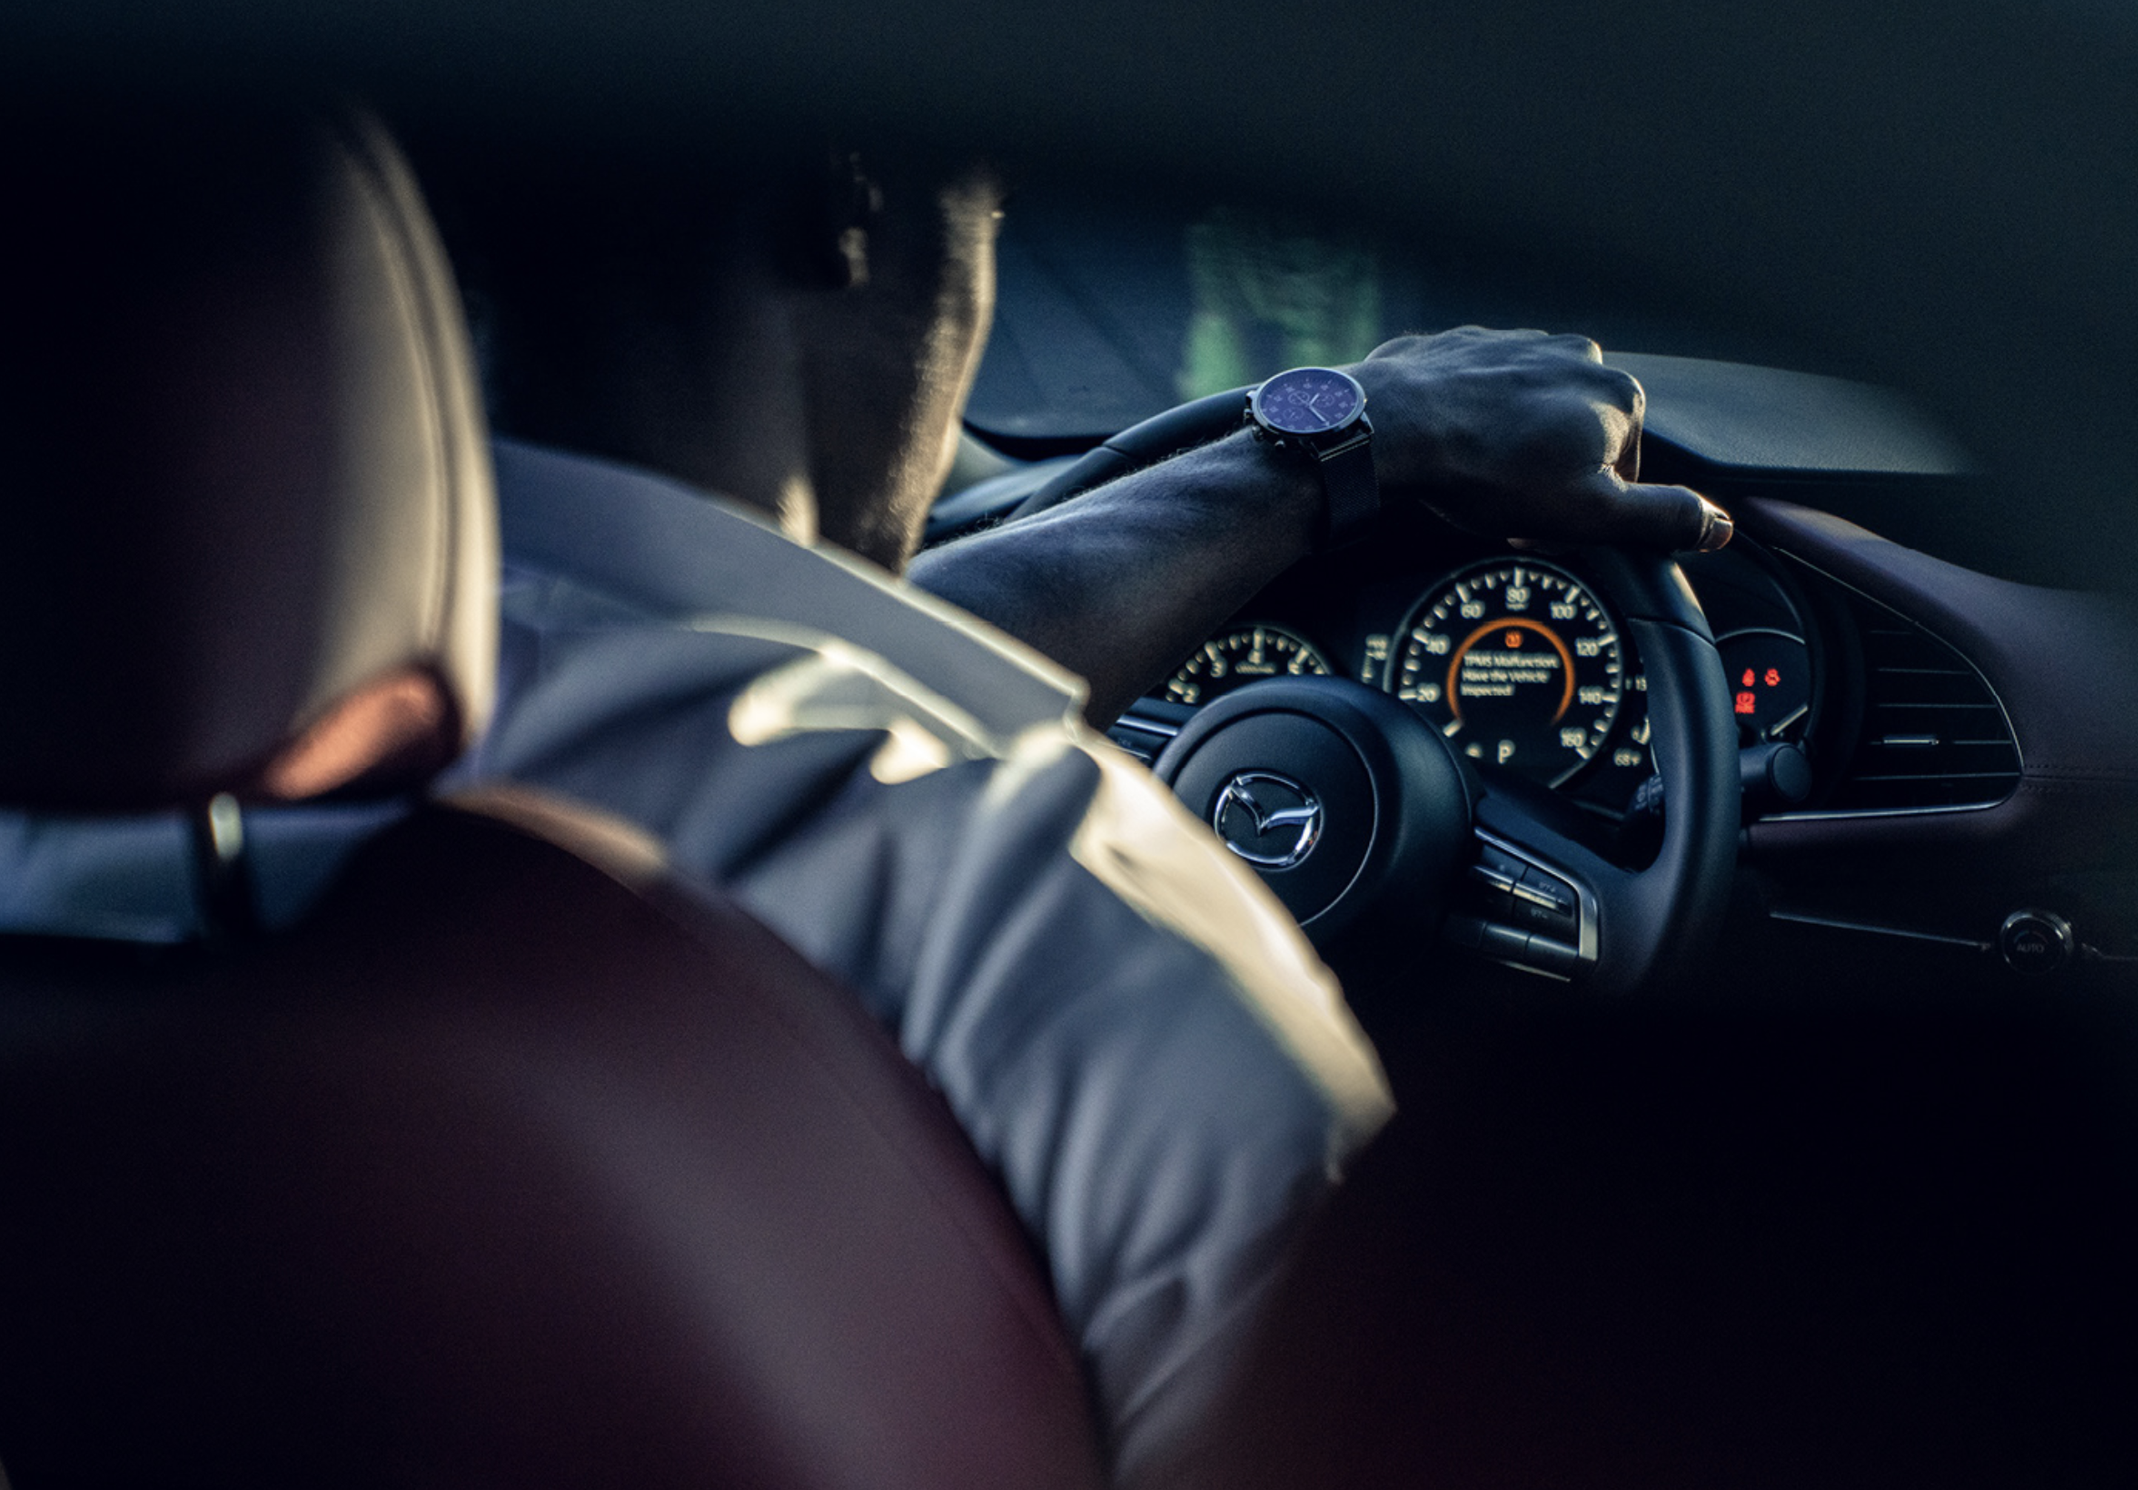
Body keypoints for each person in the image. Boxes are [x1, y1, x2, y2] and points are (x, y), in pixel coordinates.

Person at [1, 118, 1730, 1483]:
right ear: (849, 198)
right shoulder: (1040, 915)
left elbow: (726, 653)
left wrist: (1331, 445)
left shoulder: (69, 827)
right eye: (986, 222)